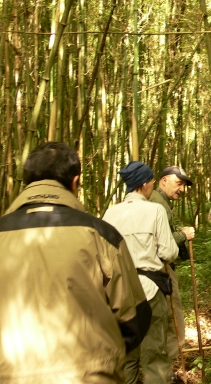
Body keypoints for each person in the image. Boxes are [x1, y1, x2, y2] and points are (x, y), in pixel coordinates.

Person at [0, 142, 151, 384]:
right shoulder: (101, 235)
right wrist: (104, 359)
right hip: (88, 376)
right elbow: (135, 316)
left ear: (26, 183)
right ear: (75, 182)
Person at [103, 161, 179, 384]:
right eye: (152, 182)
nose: (152, 186)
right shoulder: (155, 210)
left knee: (126, 354)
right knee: (155, 354)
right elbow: (169, 252)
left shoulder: (110, 213)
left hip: (119, 292)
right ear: (144, 184)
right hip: (150, 290)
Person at [149, 166, 196, 372]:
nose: (182, 189)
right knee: (171, 321)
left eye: (184, 186)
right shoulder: (157, 203)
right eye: (178, 184)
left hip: (154, 270)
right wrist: (183, 235)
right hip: (160, 270)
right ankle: (162, 372)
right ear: (164, 180)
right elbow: (160, 242)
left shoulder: (159, 201)